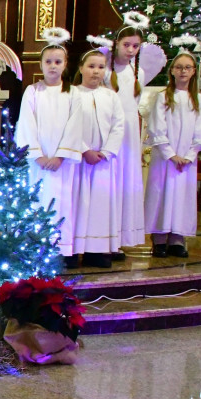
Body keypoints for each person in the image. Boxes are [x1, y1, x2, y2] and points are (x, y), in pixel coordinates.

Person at [102, 20, 166, 258]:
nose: (130, 50)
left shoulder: (136, 72)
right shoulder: (106, 71)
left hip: (129, 132)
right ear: (116, 44)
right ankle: (103, 238)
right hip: (109, 130)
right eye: (126, 44)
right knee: (109, 184)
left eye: (135, 46)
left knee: (125, 185)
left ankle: (119, 238)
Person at [15, 38, 81, 266]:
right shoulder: (33, 92)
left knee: (63, 202)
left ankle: (62, 249)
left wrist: (61, 155)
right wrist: (37, 154)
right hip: (39, 161)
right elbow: (26, 123)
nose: (53, 66)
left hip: (63, 163)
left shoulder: (73, 94)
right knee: (38, 201)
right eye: (48, 61)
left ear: (65, 65)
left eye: (58, 62)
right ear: (41, 65)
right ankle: (37, 246)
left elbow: (76, 125)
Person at [60, 49, 126, 268]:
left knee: (99, 206)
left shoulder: (110, 96)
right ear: (81, 68)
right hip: (79, 161)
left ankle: (95, 251)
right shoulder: (71, 94)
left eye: (100, 67)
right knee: (77, 205)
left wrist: (106, 152)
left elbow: (118, 125)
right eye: (91, 66)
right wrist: (84, 150)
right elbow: (68, 126)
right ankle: (71, 251)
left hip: (103, 162)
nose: (96, 71)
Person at [143, 52, 201, 258]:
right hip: (166, 158)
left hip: (186, 160)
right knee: (161, 194)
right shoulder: (163, 97)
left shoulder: (198, 99)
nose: (183, 71)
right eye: (179, 67)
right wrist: (171, 154)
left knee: (181, 196)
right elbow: (156, 127)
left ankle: (177, 238)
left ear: (193, 72)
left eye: (188, 67)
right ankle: (159, 238)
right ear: (172, 71)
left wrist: (190, 155)